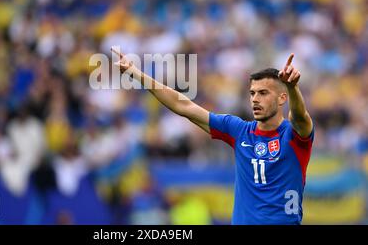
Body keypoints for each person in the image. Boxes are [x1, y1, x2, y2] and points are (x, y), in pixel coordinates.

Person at [111, 48, 314, 225]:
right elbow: (184, 105)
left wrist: (293, 87)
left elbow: (299, 116)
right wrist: (136, 73)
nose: (255, 99)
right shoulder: (239, 130)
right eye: (252, 93)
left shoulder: (293, 136)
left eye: (263, 93)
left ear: (282, 98)